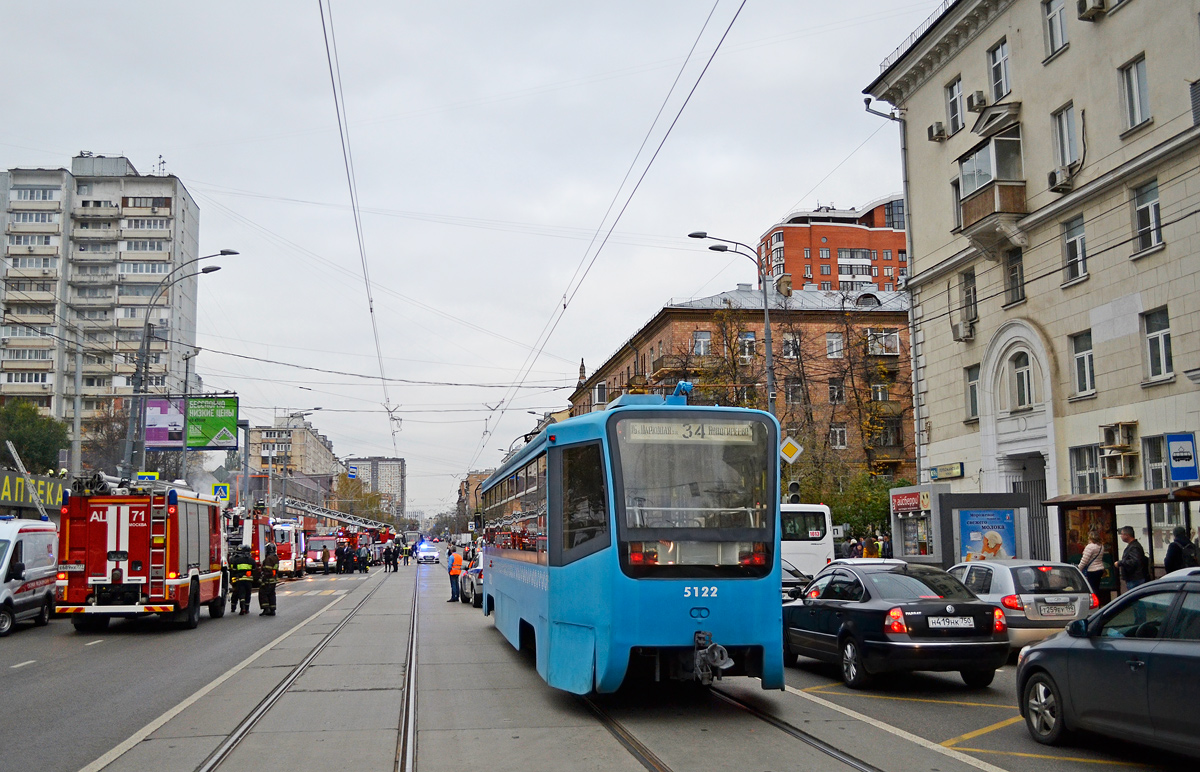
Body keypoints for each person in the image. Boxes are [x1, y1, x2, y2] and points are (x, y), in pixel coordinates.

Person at [1078, 529, 1109, 605]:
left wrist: (1078, 569)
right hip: (1099, 569)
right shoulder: (1101, 546)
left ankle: (1094, 604)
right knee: (1096, 587)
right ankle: (1098, 603)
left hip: (1092, 570)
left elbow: (1084, 560)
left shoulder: (1090, 547)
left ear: (1090, 537)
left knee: (1092, 588)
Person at [1117, 526, 1150, 591]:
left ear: (1127, 535)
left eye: (1122, 534)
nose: (1121, 536)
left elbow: (1134, 561)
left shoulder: (1134, 547)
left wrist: (1120, 563)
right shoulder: (1132, 546)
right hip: (1134, 578)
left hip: (1135, 578)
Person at [230, 546, 255, 616]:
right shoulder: (252, 561)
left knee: (241, 595)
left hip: (240, 580)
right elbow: (255, 571)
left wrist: (233, 580)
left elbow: (233, 571)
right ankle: (247, 609)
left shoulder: (236, 560)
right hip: (249, 581)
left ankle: (242, 608)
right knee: (248, 595)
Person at [259, 543, 279, 616]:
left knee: (263, 594)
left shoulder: (269, 558)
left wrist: (263, 579)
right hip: (273, 580)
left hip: (267, 580)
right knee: (271, 594)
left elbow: (267, 570)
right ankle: (272, 609)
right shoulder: (275, 557)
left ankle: (266, 609)